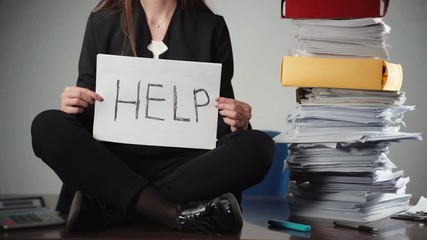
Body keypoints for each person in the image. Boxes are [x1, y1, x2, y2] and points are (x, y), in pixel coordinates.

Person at [31, 0, 274, 234]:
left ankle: (118, 207)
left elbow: (219, 115)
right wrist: (75, 104)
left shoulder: (211, 25)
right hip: (115, 162)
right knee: (47, 125)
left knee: (258, 145)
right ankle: (170, 212)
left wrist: (238, 120)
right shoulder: (102, 22)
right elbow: (89, 110)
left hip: (186, 168)